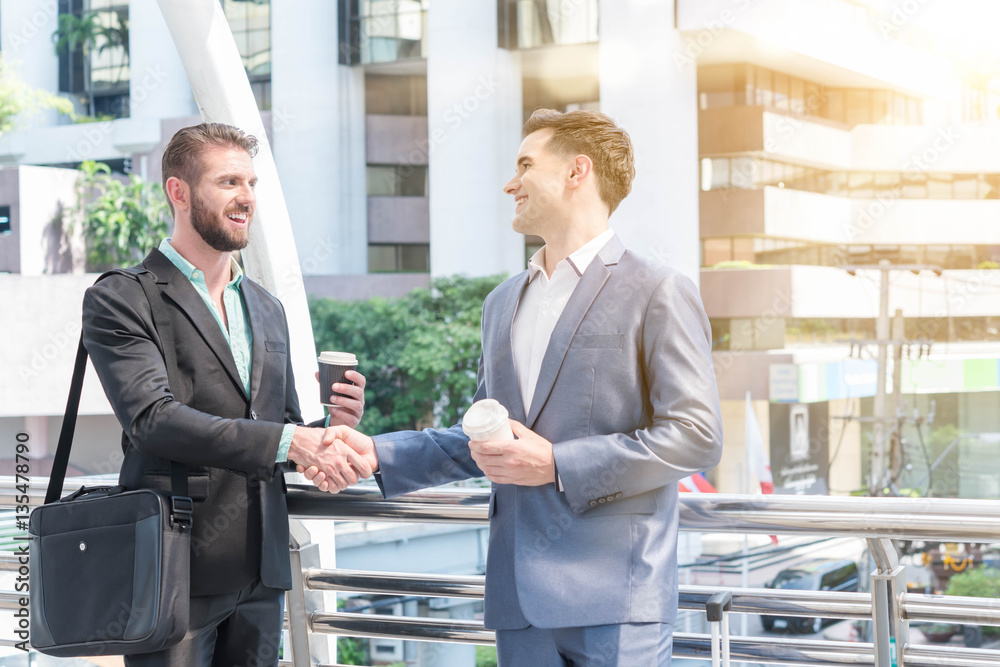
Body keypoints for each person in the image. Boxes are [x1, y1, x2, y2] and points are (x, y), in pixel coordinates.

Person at [304, 109, 724, 665]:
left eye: (525, 164)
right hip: (518, 601)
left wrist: (557, 463)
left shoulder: (658, 290)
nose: (510, 183)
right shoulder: (501, 302)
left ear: (578, 172)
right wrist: (379, 451)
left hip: (618, 600)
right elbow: (484, 436)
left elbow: (696, 436)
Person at [82, 123, 366, 666]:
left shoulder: (266, 307)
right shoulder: (122, 297)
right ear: (179, 192)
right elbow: (154, 420)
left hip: (262, 571)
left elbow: (273, 428)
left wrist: (326, 427)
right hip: (174, 569)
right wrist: (292, 442)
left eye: (252, 183)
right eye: (229, 181)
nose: (247, 198)